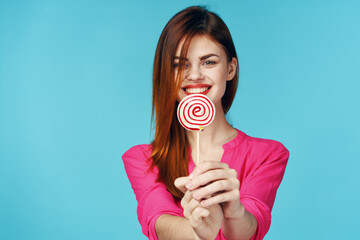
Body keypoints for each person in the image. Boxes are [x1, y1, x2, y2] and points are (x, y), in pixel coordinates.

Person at [122, 6, 289, 240]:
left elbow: (253, 226)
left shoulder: (268, 154)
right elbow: (158, 221)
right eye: (180, 65)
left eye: (208, 62)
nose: (195, 75)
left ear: (230, 69)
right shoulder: (144, 159)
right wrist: (199, 233)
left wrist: (235, 212)